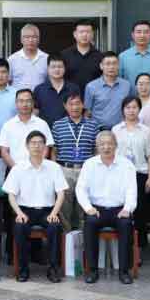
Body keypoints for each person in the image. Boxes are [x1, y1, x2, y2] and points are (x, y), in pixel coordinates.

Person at [3, 131, 67, 283]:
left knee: (54, 227)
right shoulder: (18, 168)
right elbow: (11, 195)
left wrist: (54, 213)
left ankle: (53, 269)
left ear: (45, 147)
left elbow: (61, 194)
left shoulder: (54, 167)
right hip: (24, 210)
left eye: (40, 143)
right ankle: (23, 269)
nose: (37, 146)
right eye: (33, 143)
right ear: (27, 146)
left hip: (48, 211)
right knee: (19, 228)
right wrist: (18, 213)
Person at [76, 131, 137, 285]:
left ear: (116, 145)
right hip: (96, 209)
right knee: (90, 223)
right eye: (102, 144)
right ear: (97, 146)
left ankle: (124, 271)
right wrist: (88, 208)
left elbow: (131, 190)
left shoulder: (126, 165)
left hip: (119, 209)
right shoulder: (89, 164)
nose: (106, 147)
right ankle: (92, 270)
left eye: (110, 143)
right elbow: (81, 189)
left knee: (126, 225)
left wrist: (127, 209)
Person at [50, 93, 100, 232]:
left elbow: (96, 150)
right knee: (64, 207)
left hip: (86, 170)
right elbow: (54, 151)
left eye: (77, 103)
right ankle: (66, 238)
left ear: (83, 105)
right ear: (65, 106)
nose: (75, 107)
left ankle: (83, 237)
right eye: (71, 104)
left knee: (83, 206)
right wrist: (55, 171)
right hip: (64, 169)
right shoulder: (57, 125)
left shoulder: (93, 125)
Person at [112, 97, 150, 246]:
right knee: (122, 207)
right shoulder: (116, 130)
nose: (131, 110)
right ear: (123, 110)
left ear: (139, 109)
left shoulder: (146, 131)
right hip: (120, 174)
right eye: (128, 107)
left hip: (140, 173)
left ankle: (140, 245)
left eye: (134, 107)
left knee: (140, 210)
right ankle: (124, 243)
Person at [0, 90, 54, 170]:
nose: (25, 104)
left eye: (28, 101)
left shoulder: (42, 124)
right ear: (16, 103)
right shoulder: (8, 125)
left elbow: (46, 148)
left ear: (33, 103)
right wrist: (16, 169)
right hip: (14, 170)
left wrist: (37, 166)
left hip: (38, 169)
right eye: (21, 101)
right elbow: (4, 152)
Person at [84, 52, 135, 130]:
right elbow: (87, 113)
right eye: (107, 64)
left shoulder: (127, 86)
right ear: (101, 66)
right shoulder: (91, 87)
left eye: (114, 63)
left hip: (122, 129)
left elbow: (132, 108)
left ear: (118, 66)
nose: (111, 67)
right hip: (98, 130)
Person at [119, 20, 150, 94]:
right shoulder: (123, 56)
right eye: (138, 32)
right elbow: (119, 81)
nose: (142, 35)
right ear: (133, 35)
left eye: (146, 32)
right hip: (131, 100)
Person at [33, 55, 81, 125]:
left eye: (60, 67)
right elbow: (35, 112)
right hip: (45, 129)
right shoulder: (39, 89)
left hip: (68, 129)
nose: (57, 69)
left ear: (65, 68)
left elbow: (78, 110)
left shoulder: (73, 88)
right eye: (53, 67)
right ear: (48, 69)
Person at [61, 21, 103, 97]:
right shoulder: (64, 55)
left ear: (92, 34)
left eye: (88, 32)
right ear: (75, 34)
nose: (84, 35)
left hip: (94, 98)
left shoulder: (99, 56)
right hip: (70, 99)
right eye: (81, 32)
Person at [8, 24, 49, 91]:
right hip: (18, 97)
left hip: (41, 97)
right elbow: (7, 82)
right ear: (21, 39)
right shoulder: (12, 59)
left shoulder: (46, 58)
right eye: (27, 37)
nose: (30, 40)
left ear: (39, 39)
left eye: (34, 37)